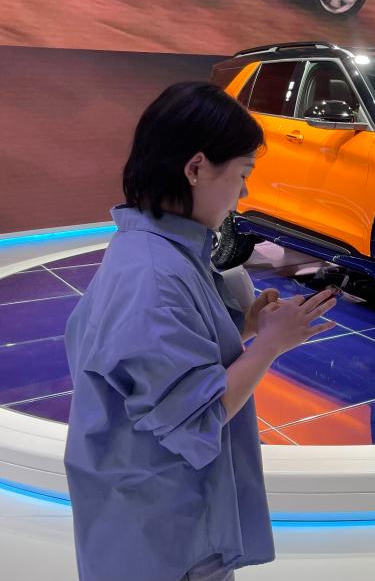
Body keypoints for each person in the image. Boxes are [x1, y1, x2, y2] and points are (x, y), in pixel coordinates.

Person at [64, 83, 339, 581]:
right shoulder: (156, 277)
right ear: (195, 169)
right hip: (166, 536)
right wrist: (269, 345)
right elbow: (198, 416)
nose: (244, 193)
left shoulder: (151, 250)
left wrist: (246, 325)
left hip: (146, 520)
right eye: (242, 174)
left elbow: (160, 359)